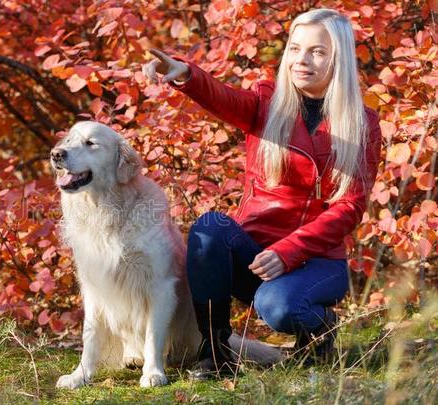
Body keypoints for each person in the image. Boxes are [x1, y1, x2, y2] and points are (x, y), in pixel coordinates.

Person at [142, 8, 382, 379]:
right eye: (295, 48)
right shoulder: (266, 103)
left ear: (339, 58)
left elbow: (350, 207)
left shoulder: (363, 123)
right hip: (254, 255)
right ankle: (215, 352)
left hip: (318, 261)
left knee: (279, 307)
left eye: (317, 51)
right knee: (209, 227)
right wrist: (187, 75)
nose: (302, 60)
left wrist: (289, 252)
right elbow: (223, 97)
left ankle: (321, 329)